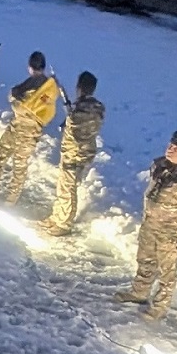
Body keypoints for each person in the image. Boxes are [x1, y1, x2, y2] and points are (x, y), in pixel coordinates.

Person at [120, 130, 177, 317]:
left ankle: (159, 307)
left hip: (170, 233)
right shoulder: (159, 164)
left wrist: (176, 215)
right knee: (145, 260)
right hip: (150, 224)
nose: (171, 149)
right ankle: (139, 292)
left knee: (166, 272)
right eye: (170, 145)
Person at [0, 52, 62, 201]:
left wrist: (16, 101)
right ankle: (11, 198)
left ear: (30, 67)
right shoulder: (49, 87)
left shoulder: (32, 84)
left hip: (22, 127)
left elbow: (17, 100)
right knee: (19, 166)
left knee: (4, 158)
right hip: (28, 130)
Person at [44, 71, 106, 236]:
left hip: (74, 153)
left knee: (67, 189)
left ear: (79, 87)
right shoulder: (98, 107)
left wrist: (70, 114)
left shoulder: (79, 109)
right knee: (64, 185)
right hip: (86, 152)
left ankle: (63, 223)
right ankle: (57, 216)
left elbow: (74, 128)